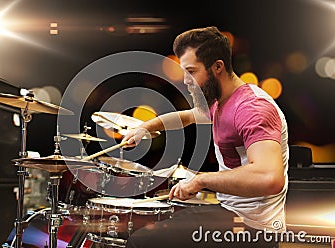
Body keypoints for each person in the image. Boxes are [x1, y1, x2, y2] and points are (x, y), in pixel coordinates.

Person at [122, 26, 289, 247]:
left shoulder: (252, 108)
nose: (186, 80)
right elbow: (189, 116)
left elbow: (270, 178)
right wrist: (146, 127)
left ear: (217, 67)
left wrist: (201, 181)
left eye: (191, 71)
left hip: (252, 230)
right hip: (232, 215)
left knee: (141, 242)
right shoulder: (221, 100)